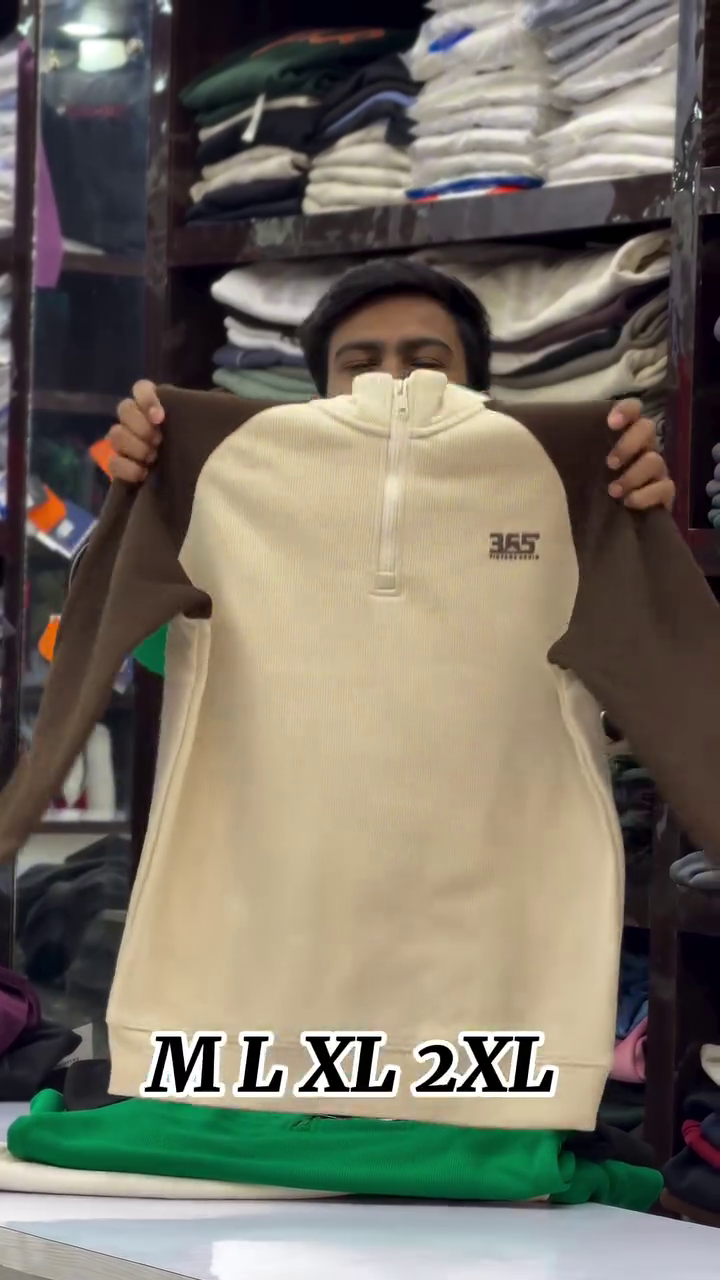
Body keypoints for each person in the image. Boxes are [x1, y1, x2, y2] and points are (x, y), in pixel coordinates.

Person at [109, 259, 674, 511]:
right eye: (360, 364)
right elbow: (160, 649)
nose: (394, 382)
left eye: (425, 362)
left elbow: (632, 661)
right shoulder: (253, 504)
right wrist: (150, 495)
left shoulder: (547, 501)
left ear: (481, 392)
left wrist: (634, 522)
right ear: (319, 395)